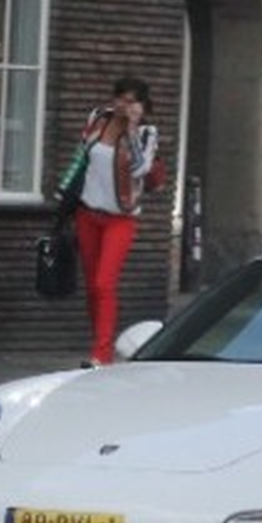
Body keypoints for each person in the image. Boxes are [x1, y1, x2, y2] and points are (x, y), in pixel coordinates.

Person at [72, 75, 163, 366]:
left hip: (119, 219)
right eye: (121, 99)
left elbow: (139, 169)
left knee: (104, 283)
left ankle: (102, 353)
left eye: (132, 101)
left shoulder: (147, 133)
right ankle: (98, 342)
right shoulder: (98, 119)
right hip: (88, 212)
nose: (125, 105)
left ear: (142, 106)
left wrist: (132, 130)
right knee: (91, 286)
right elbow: (83, 155)